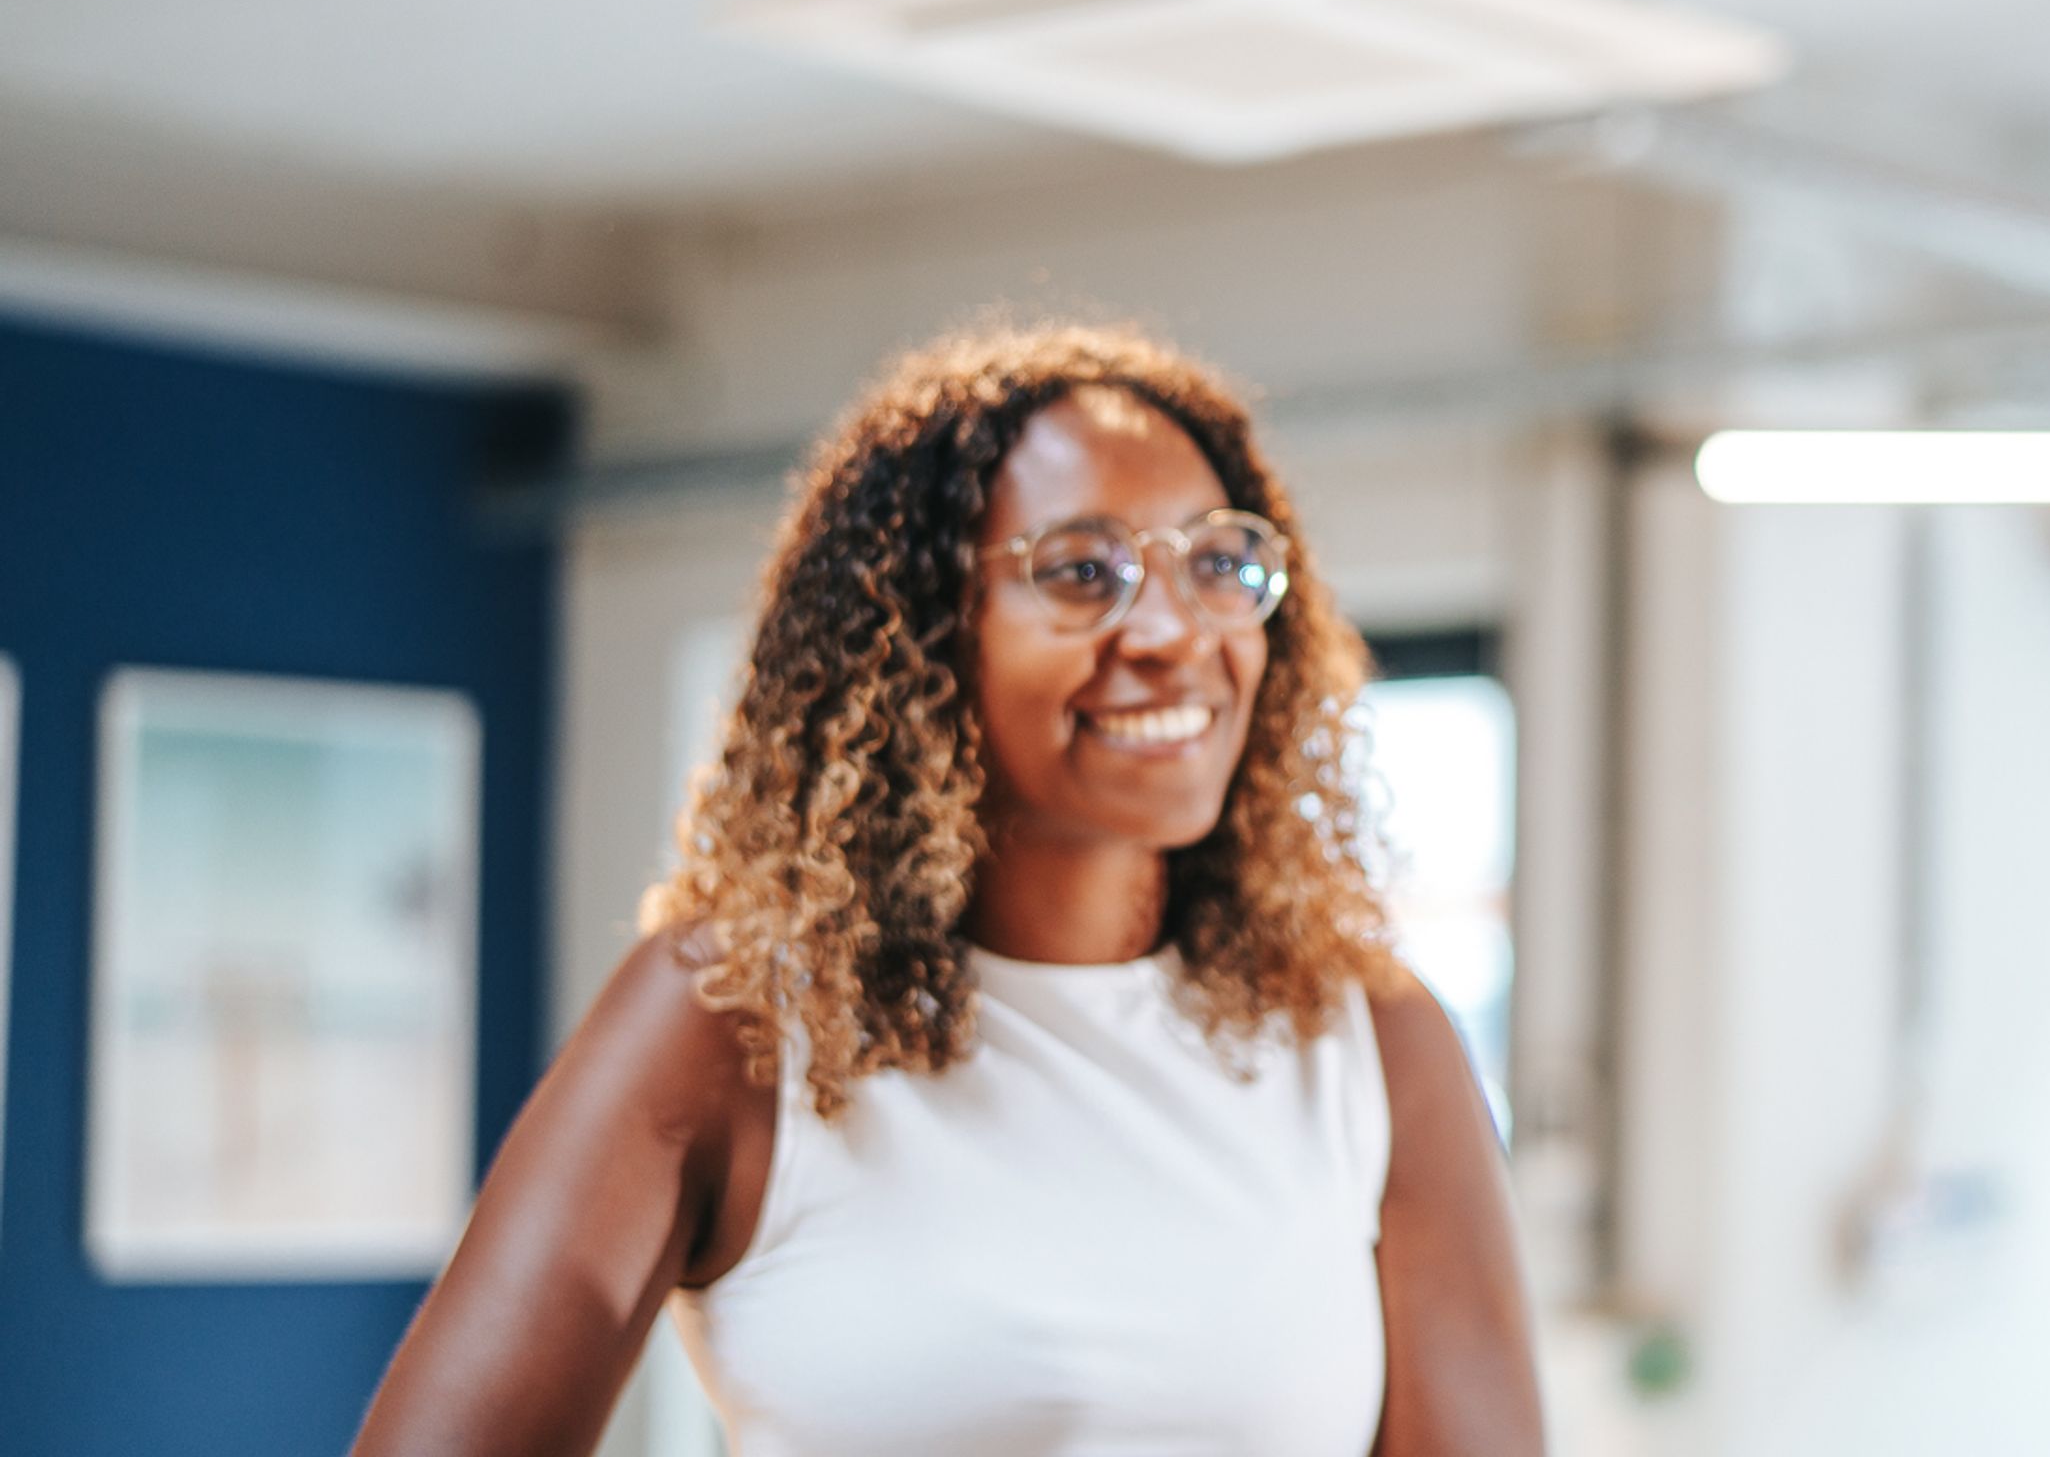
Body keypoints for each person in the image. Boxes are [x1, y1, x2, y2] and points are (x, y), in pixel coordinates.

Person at [355, 324, 1542, 1457]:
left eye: (1218, 565)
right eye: (1085, 571)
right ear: (921, 632)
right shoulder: (738, 1018)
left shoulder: (1369, 1043)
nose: (1174, 632)